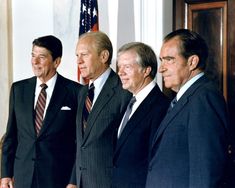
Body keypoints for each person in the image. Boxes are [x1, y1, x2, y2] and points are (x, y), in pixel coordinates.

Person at [145, 29, 230, 188]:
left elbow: (206, 172)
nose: (161, 68)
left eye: (169, 59)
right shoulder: (184, 97)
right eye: (161, 60)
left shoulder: (204, 98)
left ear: (192, 62)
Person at [0, 35, 81, 188]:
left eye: (41, 57)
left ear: (56, 61)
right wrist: (5, 174)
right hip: (23, 177)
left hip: (57, 178)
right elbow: (11, 136)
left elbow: (79, 143)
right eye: (33, 55)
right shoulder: (18, 89)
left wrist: (73, 180)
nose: (34, 62)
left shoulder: (75, 92)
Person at [67, 31, 131, 188]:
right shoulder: (82, 92)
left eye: (84, 55)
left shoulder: (124, 90)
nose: (79, 61)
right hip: (81, 181)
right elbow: (82, 144)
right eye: (77, 56)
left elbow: (128, 149)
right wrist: (74, 181)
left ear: (104, 56)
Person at [111, 42, 169, 188]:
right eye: (119, 66)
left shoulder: (161, 106)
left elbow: (156, 162)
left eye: (127, 67)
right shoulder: (129, 101)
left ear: (146, 70)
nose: (120, 72)